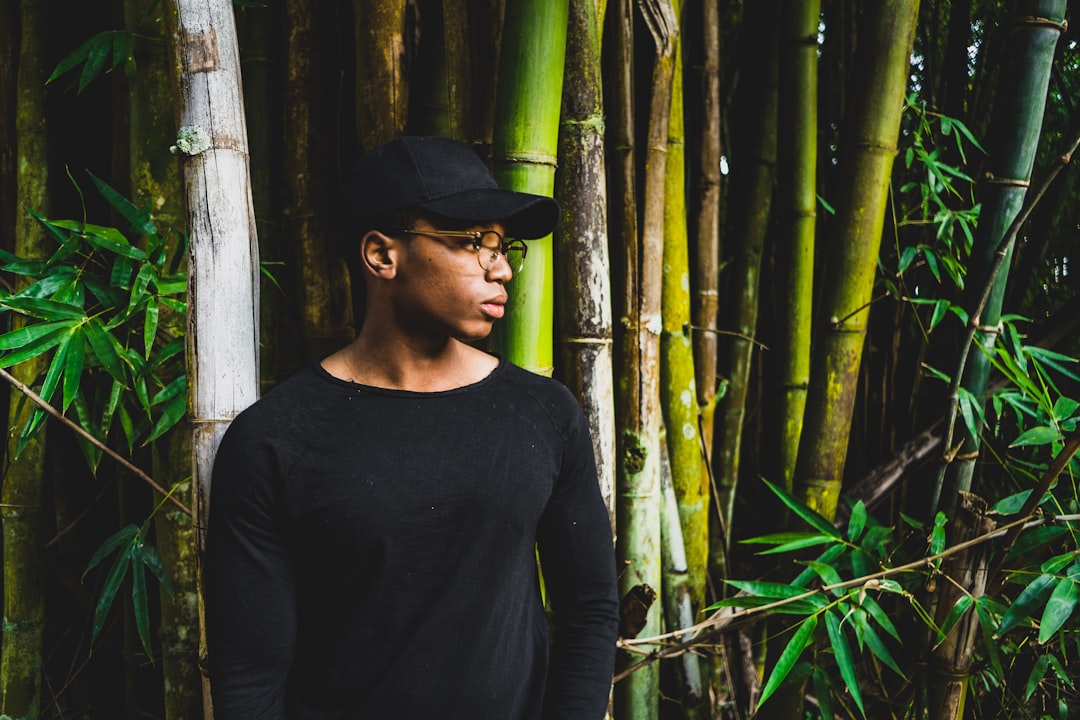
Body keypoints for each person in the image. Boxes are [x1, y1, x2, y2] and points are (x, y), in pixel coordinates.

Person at [204, 135, 620, 719]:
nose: (499, 269)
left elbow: (591, 607)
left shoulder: (544, 413)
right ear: (382, 255)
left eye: (504, 247)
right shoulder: (275, 438)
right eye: (472, 242)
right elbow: (250, 670)